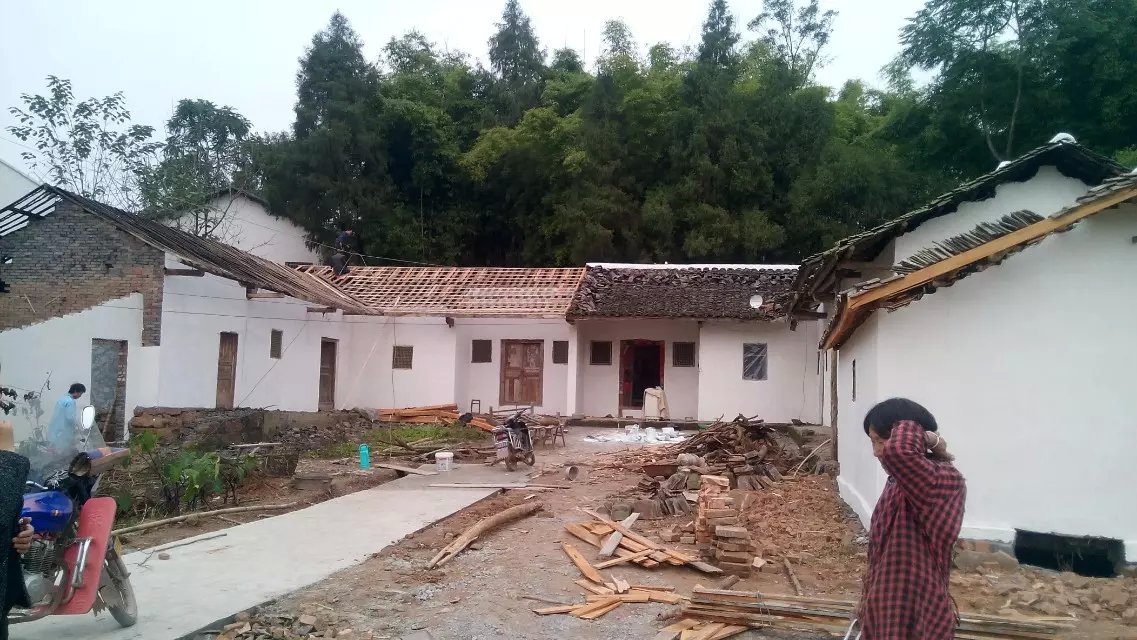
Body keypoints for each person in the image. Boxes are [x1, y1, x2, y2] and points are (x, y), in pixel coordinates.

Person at [857, 398, 966, 640]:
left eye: (881, 441)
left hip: (916, 616)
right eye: (873, 442)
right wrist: (866, 605)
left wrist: (931, 439)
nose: (876, 452)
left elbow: (899, 452)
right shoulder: (898, 482)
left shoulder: (942, 480)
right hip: (886, 610)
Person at [46, 383, 85, 450]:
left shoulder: (62, 399)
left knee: (53, 451)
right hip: (63, 433)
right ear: (75, 391)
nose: (80, 396)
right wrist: (78, 427)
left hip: (54, 431)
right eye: (80, 393)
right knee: (63, 453)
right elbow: (70, 418)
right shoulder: (70, 402)